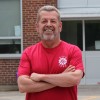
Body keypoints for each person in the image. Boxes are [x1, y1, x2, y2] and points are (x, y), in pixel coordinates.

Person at [17, 5, 84, 100]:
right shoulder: (28, 52)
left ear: (60, 26)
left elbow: (74, 79)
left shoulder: (73, 50)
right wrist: (62, 78)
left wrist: (41, 77)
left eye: (53, 21)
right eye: (44, 21)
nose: (48, 24)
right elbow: (23, 86)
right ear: (37, 27)